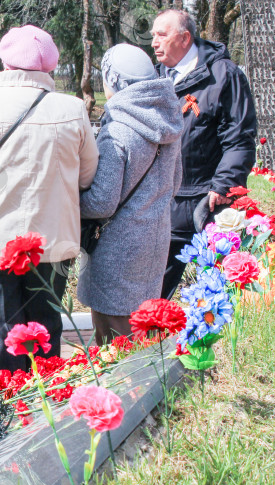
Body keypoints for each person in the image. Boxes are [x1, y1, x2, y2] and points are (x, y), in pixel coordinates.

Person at [0, 25, 98, 373]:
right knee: (45, 330)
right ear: (50, 67)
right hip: (50, 241)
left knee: (1, 333)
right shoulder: (72, 109)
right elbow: (87, 176)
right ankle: (47, 412)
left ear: (4, 63)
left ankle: (7, 411)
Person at [77, 44, 184, 344]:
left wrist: (67, 202)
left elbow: (101, 201)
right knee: (143, 330)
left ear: (113, 80)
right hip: (154, 239)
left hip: (117, 250)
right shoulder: (168, 121)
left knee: (115, 341)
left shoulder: (120, 129)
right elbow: (175, 183)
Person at [152, 9, 257, 299]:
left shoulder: (224, 75)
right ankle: (144, 344)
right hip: (164, 201)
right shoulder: (156, 77)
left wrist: (225, 183)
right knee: (152, 298)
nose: (154, 42)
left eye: (162, 35)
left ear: (185, 38)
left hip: (205, 204)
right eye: (153, 35)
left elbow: (239, 137)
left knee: (213, 298)